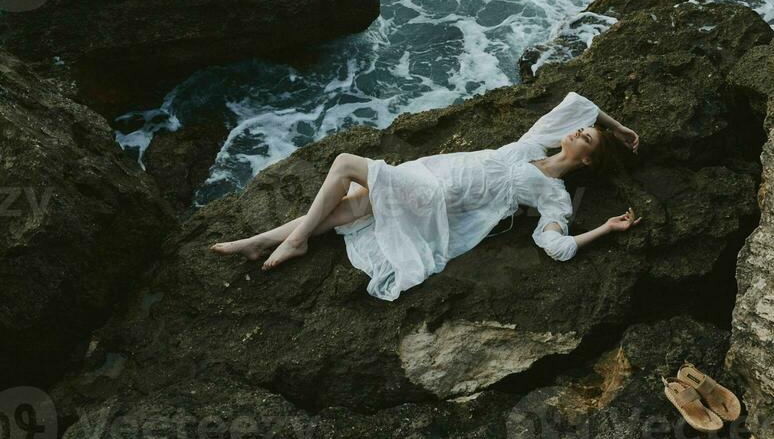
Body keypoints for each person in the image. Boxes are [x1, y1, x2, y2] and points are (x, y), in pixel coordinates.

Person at [211, 92, 641, 301]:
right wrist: (616, 128)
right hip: (430, 170)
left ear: (587, 161)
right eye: (581, 129)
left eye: (586, 137)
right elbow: (577, 101)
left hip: (438, 196)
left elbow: (557, 246)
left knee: (344, 163)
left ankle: (294, 239)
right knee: (353, 207)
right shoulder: (534, 144)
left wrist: (605, 227)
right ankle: (264, 241)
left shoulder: (556, 197)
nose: (577, 131)